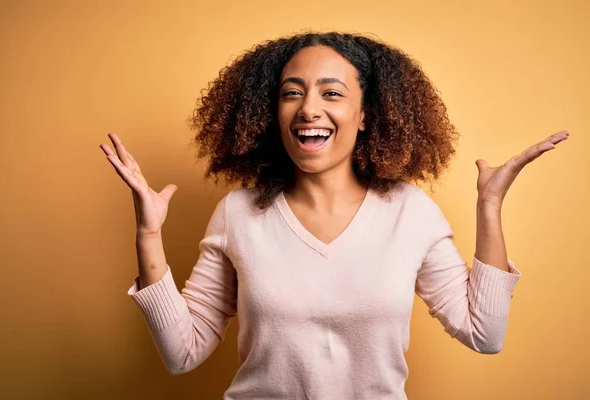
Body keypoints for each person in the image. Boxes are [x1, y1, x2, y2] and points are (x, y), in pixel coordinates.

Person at [99, 31, 569, 399]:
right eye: (292, 93)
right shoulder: (238, 214)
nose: (308, 110)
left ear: (365, 114)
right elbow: (182, 353)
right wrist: (148, 234)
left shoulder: (410, 213)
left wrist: (489, 209)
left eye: (331, 94)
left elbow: (485, 333)